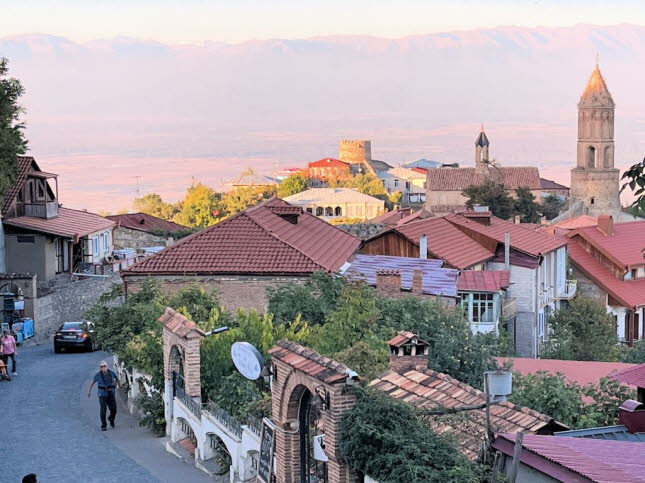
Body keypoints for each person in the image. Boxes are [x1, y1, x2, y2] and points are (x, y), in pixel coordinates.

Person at [87, 360, 121, 431]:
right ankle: (103, 425)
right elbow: (92, 383)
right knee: (103, 410)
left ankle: (111, 419)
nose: (103, 367)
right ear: (100, 368)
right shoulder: (97, 375)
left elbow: (117, 378)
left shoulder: (111, 373)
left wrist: (119, 385)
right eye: (101, 366)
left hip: (111, 394)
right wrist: (89, 391)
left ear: (107, 366)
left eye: (104, 366)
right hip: (102, 394)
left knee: (114, 409)